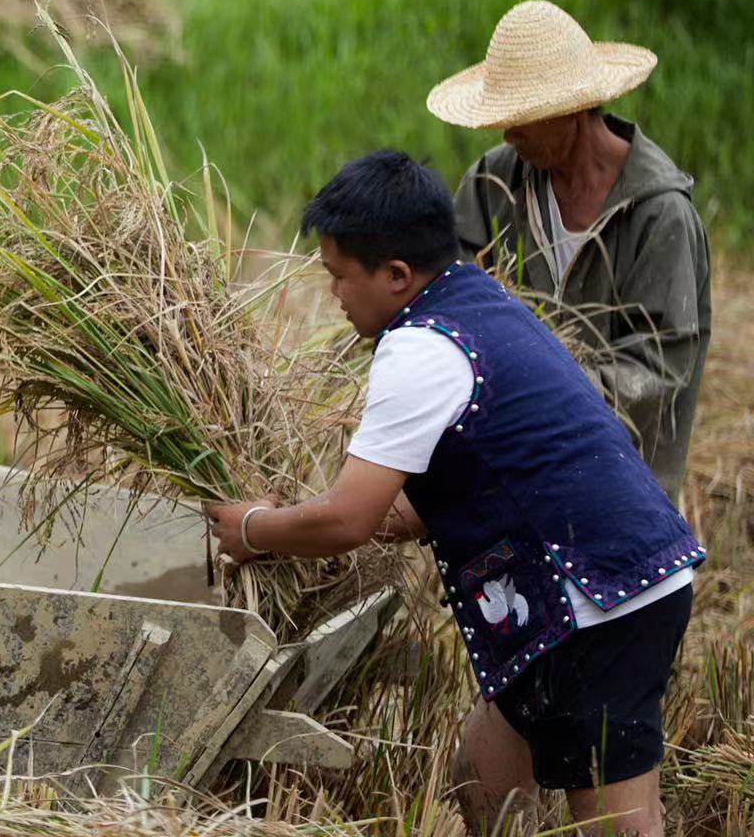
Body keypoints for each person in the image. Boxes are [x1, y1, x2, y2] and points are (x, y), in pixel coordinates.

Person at [206, 151, 703, 837]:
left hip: (597, 599)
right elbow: (410, 506)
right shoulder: (474, 298)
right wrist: (303, 516)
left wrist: (255, 529)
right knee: (485, 781)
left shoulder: (418, 350)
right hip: (604, 584)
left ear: (397, 276)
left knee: (619, 825)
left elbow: (350, 521)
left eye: (339, 278)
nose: (335, 297)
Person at [427, 0, 711, 499]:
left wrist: (530, 388)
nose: (508, 133)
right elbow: (446, 301)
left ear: (573, 110)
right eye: (503, 118)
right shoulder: (494, 186)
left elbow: (657, 372)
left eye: (524, 118)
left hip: (619, 493)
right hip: (511, 483)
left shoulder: (659, 216)